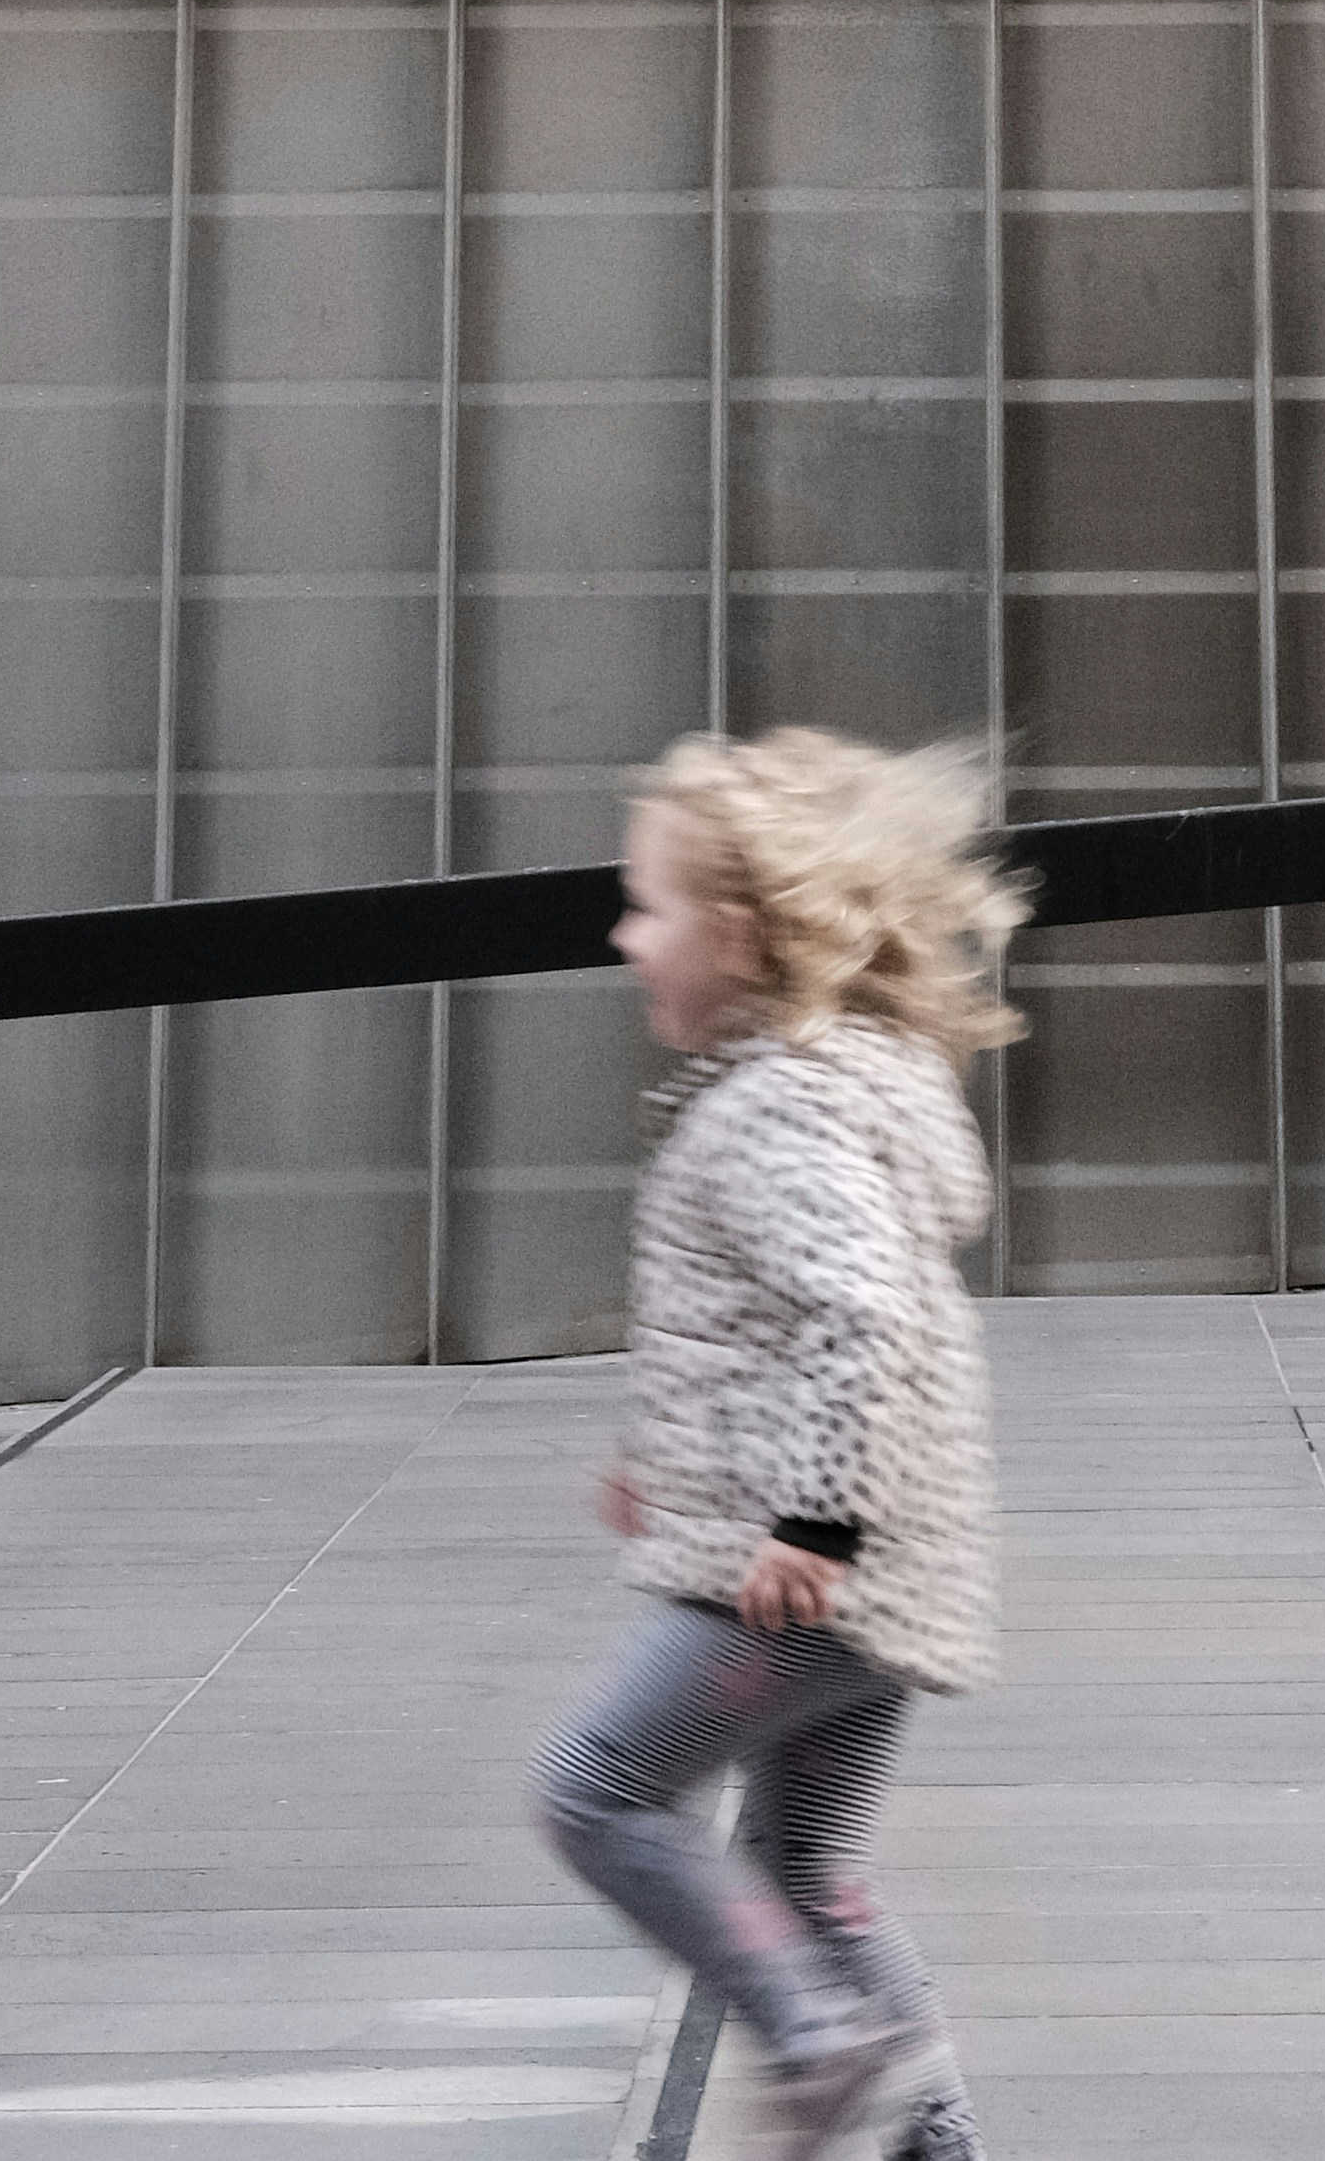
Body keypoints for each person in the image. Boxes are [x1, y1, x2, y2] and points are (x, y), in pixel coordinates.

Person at [534, 730, 1014, 2161]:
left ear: (734, 937)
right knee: (801, 1867)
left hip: (808, 1586)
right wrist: (665, 1465)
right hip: (890, 1579)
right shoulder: (857, 1081)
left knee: (601, 1793)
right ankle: (936, 2143)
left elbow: (853, 1312)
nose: (627, 940)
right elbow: (765, 1328)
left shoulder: (777, 1109)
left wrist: (811, 1522)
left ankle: (817, 2039)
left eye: (647, 908)